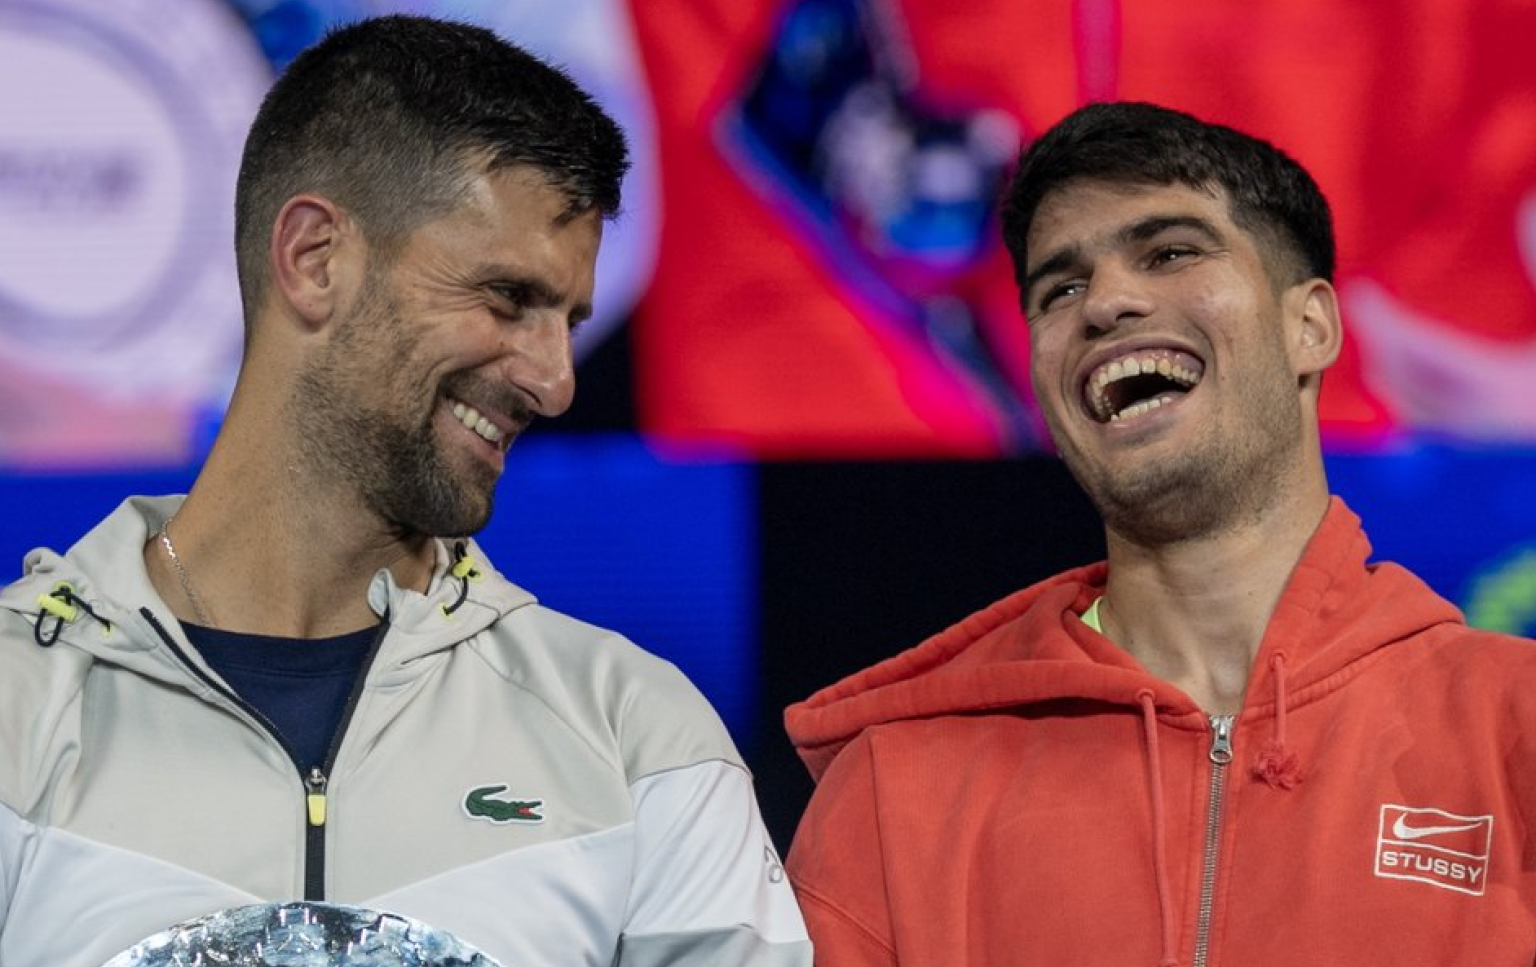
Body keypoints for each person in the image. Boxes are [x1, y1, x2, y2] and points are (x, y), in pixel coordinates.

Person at [0, 15, 808, 967]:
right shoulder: (18, 701)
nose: (556, 381)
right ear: (315, 258)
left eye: (567, 319)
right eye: (509, 298)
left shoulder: (639, 735)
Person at [783, 101, 1536, 966]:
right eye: (1059, 289)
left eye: (1171, 252)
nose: (1104, 303)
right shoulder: (894, 792)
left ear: (1311, 327)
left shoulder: (1512, 724)